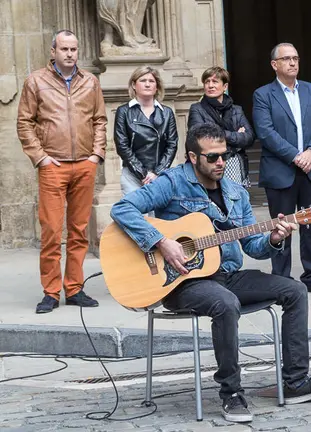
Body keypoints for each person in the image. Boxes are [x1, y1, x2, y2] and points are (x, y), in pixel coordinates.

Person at [109, 123, 311, 423]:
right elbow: (123, 209)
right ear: (193, 158)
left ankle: (296, 381)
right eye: (212, 157)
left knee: (294, 290)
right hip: (181, 282)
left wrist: (274, 238)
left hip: (228, 274)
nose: (221, 162)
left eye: (225, 155)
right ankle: (231, 393)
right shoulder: (172, 182)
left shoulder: (235, 192)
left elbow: (253, 246)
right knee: (225, 303)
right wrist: (162, 242)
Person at [17, 30, 106, 314]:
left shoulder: (90, 82)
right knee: (52, 232)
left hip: (84, 164)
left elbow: (100, 120)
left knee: (79, 231)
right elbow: (24, 122)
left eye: (74, 49)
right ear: (53, 51)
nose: (70, 54)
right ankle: (51, 292)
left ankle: (75, 288)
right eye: (64, 49)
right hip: (52, 165)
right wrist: (40, 158)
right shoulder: (36, 81)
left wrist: (96, 155)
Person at [252, 43, 311, 296]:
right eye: (286, 58)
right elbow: (265, 132)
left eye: (296, 58)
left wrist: (310, 152)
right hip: (281, 170)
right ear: (274, 64)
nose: (293, 63)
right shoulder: (263, 94)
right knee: (281, 227)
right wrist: (295, 156)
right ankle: (282, 280)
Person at [114, 65, 178, 196]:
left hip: (159, 175)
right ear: (134, 85)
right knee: (137, 215)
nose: (147, 84)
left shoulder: (166, 113)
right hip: (132, 174)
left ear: (157, 86)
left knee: (157, 216)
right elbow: (122, 145)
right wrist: (142, 173)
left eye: (151, 81)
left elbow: (172, 145)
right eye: (143, 81)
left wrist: (157, 172)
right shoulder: (124, 112)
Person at [188, 66, 255, 187]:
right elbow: (200, 138)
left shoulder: (236, 110)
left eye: (215, 81)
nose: (210, 85)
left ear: (225, 86)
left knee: (235, 201)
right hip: (209, 163)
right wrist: (235, 135)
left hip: (234, 164)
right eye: (207, 82)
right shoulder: (197, 109)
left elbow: (249, 137)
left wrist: (218, 134)